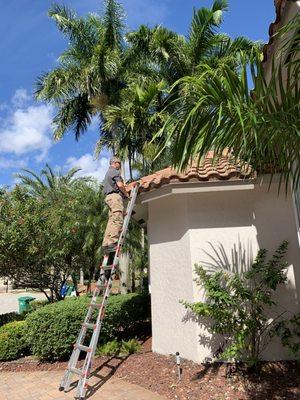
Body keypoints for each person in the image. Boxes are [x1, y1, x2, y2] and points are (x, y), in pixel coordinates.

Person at [102, 156, 129, 253]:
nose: (120, 166)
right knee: (118, 220)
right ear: (114, 163)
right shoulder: (114, 171)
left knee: (111, 221)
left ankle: (106, 244)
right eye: (119, 163)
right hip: (115, 198)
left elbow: (117, 184)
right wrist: (126, 194)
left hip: (109, 198)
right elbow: (120, 185)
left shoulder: (108, 173)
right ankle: (112, 243)